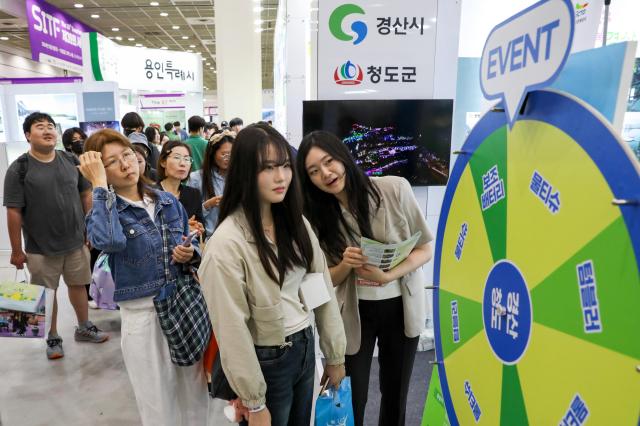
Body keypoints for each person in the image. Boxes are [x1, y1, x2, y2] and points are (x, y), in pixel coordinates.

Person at [199, 123, 347, 426]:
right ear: (244, 173)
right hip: (266, 359)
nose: (281, 177)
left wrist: (334, 355)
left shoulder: (296, 224)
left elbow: (321, 289)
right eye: (267, 168)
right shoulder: (226, 244)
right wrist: (253, 402)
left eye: (284, 165)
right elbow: (231, 330)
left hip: (305, 346)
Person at [297, 131, 434, 426]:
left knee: (395, 393)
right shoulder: (315, 217)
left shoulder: (394, 189)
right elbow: (321, 281)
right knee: (350, 394)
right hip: (352, 312)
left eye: (329, 161)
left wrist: (388, 275)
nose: (326, 173)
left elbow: (425, 249)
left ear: (343, 157)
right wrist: (345, 265)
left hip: (401, 305)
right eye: (314, 171)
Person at [79, 129, 210, 425]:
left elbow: (191, 248)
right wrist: (99, 186)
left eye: (127, 155)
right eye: (112, 162)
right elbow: (109, 241)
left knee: (194, 394)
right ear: (102, 171)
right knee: (157, 403)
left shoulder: (166, 201)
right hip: (143, 316)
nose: (126, 164)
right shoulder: (104, 211)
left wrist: (190, 254)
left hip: (182, 307)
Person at [3, 112, 108, 360]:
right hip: (40, 248)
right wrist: (17, 250)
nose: (48, 130)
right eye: (40, 127)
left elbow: (86, 195)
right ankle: (52, 336)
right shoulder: (19, 168)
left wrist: (90, 229)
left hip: (76, 241)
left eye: (51, 126)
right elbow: (14, 212)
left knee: (78, 286)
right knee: (46, 294)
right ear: (28, 135)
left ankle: (84, 327)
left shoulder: (70, 159)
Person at [188, 129, 234, 238]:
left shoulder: (241, 178)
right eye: (224, 154)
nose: (228, 158)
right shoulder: (197, 178)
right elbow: (190, 216)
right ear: (213, 153)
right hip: (210, 239)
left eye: (232, 154)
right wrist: (208, 205)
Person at [157, 140, 205, 235]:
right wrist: (182, 227)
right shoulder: (151, 194)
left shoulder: (194, 194)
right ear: (163, 162)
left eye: (187, 159)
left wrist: (198, 228)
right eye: (177, 157)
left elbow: (200, 224)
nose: (183, 163)